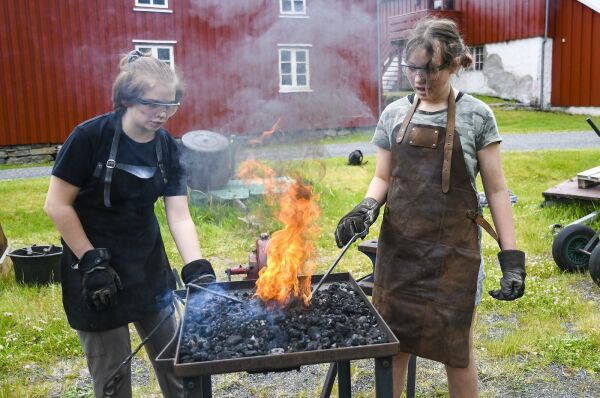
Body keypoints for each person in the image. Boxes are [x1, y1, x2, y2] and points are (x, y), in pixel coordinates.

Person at [334, 18, 526, 397]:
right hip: (401, 254)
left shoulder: (477, 116)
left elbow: (498, 191)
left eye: (429, 69)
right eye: (412, 68)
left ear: (454, 64)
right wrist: (366, 208)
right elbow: (384, 178)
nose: (418, 78)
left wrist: (512, 257)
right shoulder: (393, 115)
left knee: (458, 353)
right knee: (395, 346)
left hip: (453, 258)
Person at [44, 50, 216, 398]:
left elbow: (178, 213)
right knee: (113, 381)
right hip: (94, 271)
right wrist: (91, 261)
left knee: (181, 368)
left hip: (148, 267)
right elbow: (57, 205)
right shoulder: (89, 137)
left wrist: (195, 264)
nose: (163, 114)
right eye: (153, 105)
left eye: (171, 105)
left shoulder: (167, 146)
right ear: (125, 99)